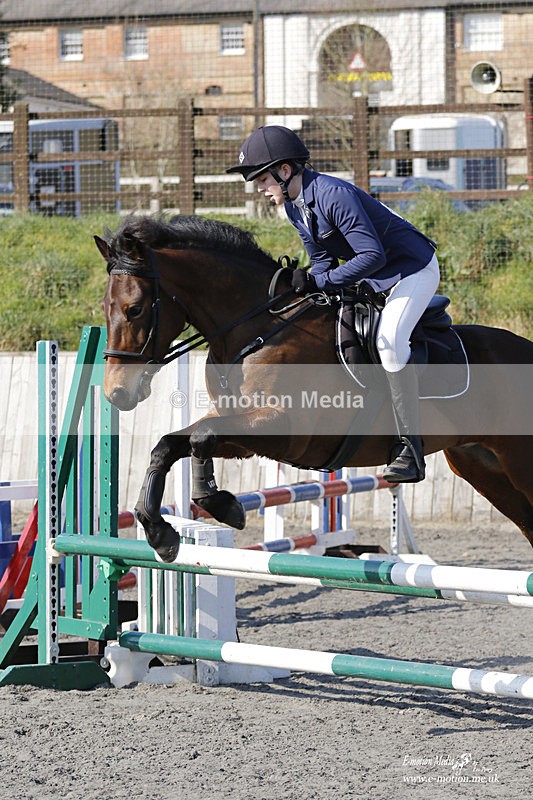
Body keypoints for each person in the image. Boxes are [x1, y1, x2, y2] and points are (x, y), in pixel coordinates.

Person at [227, 125, 441, 483]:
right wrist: (304, 285)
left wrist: (318, 281)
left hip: (411, 270)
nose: (260, 189)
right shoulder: (295, 206)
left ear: (284, 171)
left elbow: (371, 255)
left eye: (262, 179)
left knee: (389, 342)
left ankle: (410, 447)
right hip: (375, 274)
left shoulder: (332, 194)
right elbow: (324, 262)